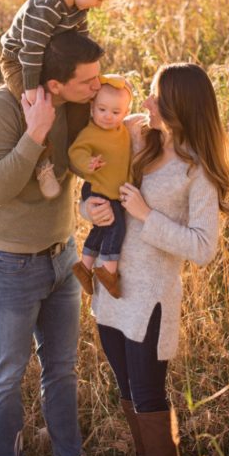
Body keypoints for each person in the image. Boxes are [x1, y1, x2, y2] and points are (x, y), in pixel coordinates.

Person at [85, 63, 229, 456]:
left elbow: (204, 248)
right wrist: (90, 206)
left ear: (177, 107)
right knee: (127, 390)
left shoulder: (198, 170)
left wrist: (148, 215)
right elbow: (102, 187)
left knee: (149, 394)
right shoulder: (139, 140)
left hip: (151, 299)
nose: (144, 104)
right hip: (112, 290)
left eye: (153, 97)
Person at [0, 30, 104, 456]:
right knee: (7, 375)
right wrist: (35, 132)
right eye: (86, 81)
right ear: (54, 83)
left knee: (62, 371)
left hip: (63, 259)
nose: (95, 87)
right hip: (10, 265)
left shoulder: (79, 105)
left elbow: (105, 142)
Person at [0, 0, 124, 199]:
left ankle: (78, 151)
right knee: (35, 109)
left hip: (49, 61)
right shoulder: (44, 8)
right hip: (19, 61)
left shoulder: (79, 8)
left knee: (81, 99)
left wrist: (97, 80)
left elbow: (83, 49)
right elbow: (30, 52)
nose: (98, 5)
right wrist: (33, 90)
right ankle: (43, 162)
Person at [68, 74, 135, 297]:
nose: (108, 117)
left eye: (116, 112)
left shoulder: (123, 131)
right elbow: (76, 153)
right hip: (99, 188)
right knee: (116, 226)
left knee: (101, 227)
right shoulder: (91, 133)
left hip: (113, 189)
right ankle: (108, 270)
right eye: (102, 110)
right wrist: (89, 163)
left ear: (125, 113)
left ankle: (84, 266)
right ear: (92, 108)